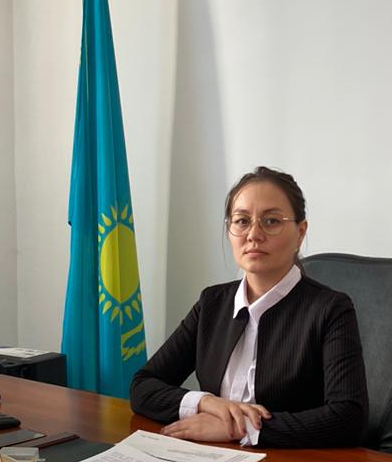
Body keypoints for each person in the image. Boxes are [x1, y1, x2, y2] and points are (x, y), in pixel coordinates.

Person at [130, 167, 368, 447]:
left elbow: (348, 417)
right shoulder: (212, 303)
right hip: (212, 455)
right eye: (242, 221)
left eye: (271, 221)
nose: (254, 234)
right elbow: (143, 386)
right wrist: (206, 403)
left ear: (300, 232)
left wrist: (241, 429)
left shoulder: (330, 309)